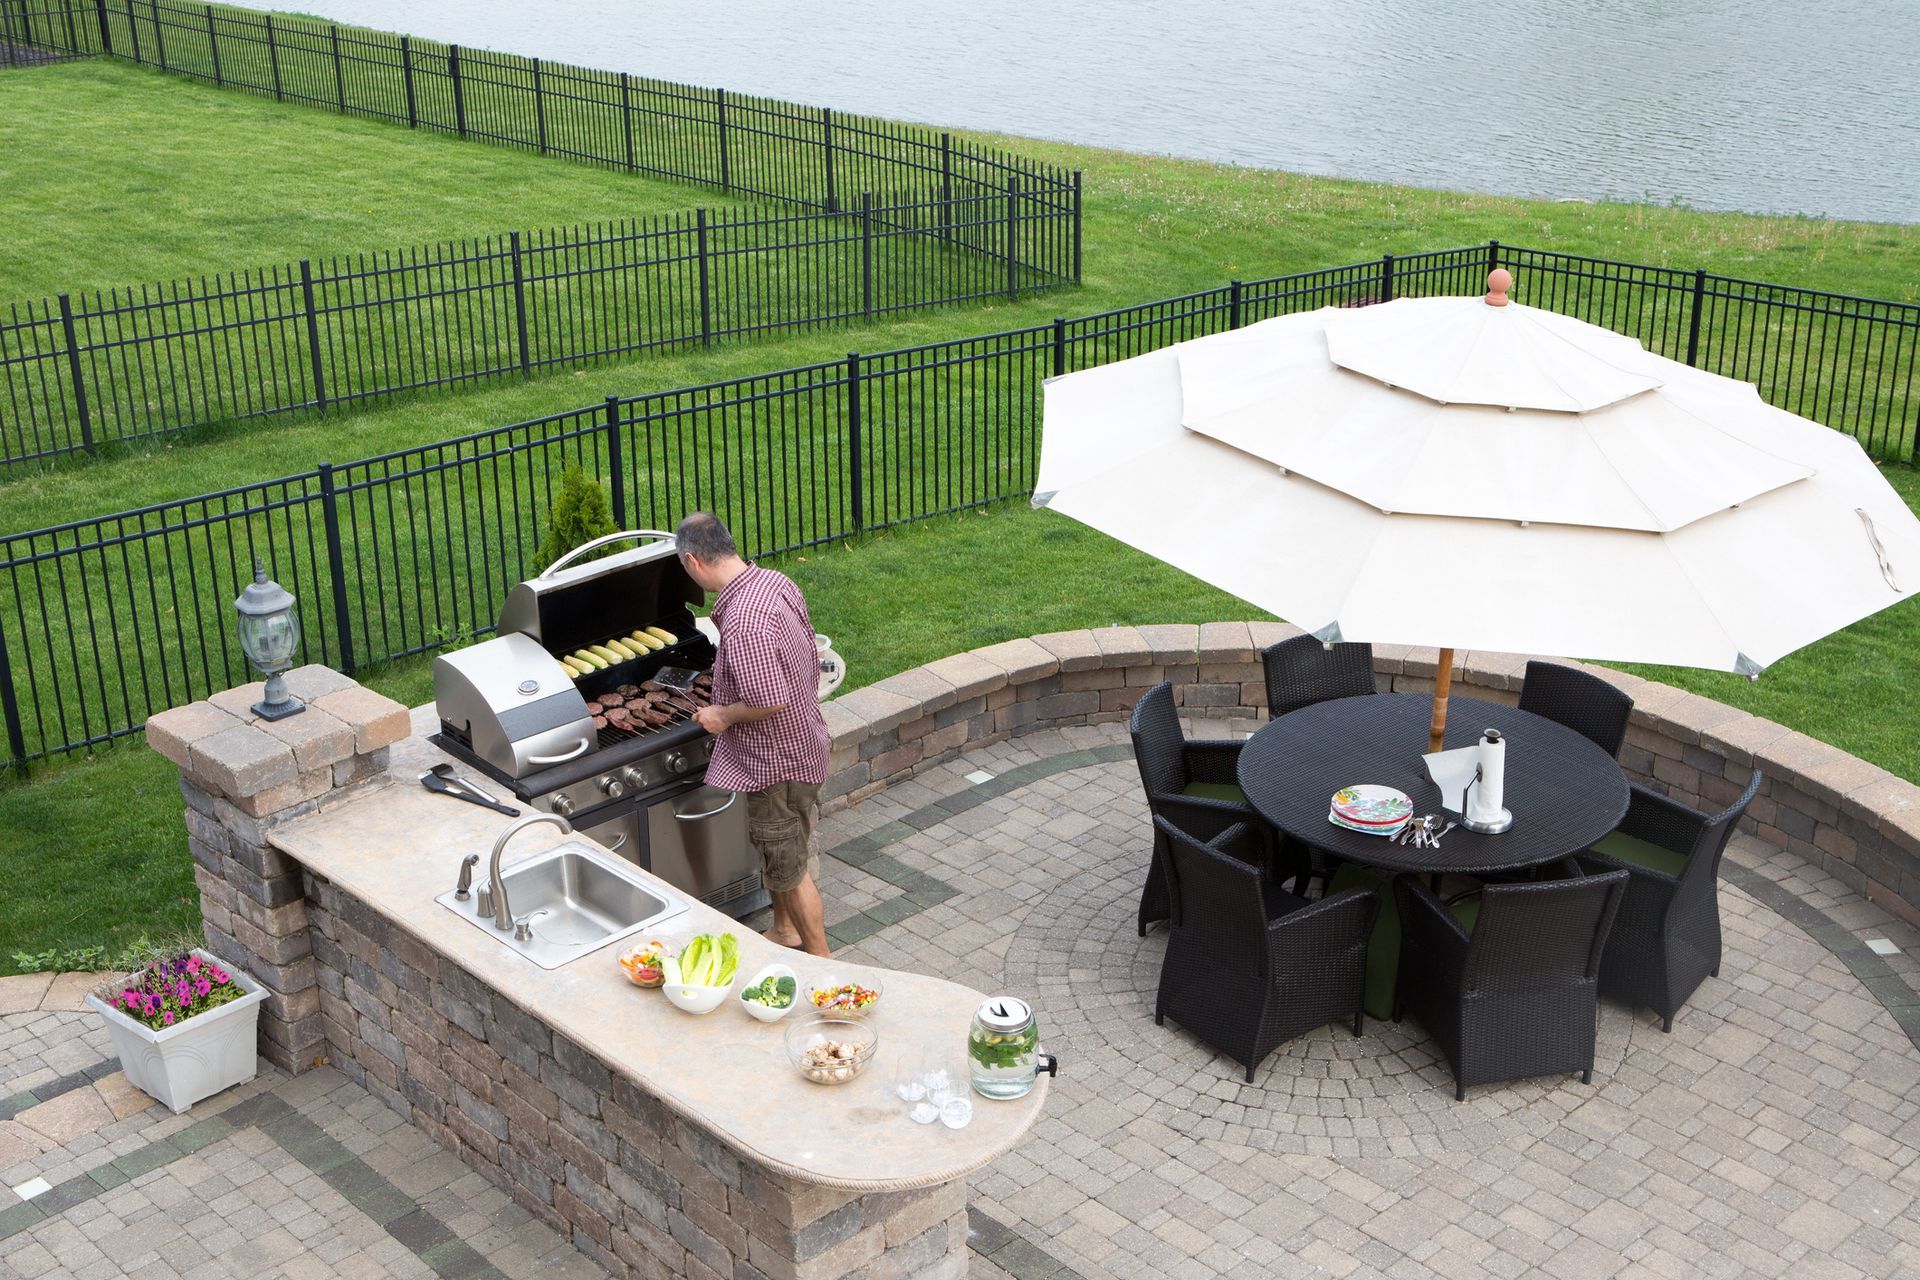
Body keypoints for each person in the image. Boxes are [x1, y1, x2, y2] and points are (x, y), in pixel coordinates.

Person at [674, 512, 832, 956]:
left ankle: (824, 964)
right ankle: (784, 930)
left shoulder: (744, 621)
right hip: (804, 742)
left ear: (693, 560)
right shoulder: (774, 582)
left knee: (790, 868)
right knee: (783, 850)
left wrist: (722, 715)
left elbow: (769, 699)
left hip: (776, 764)